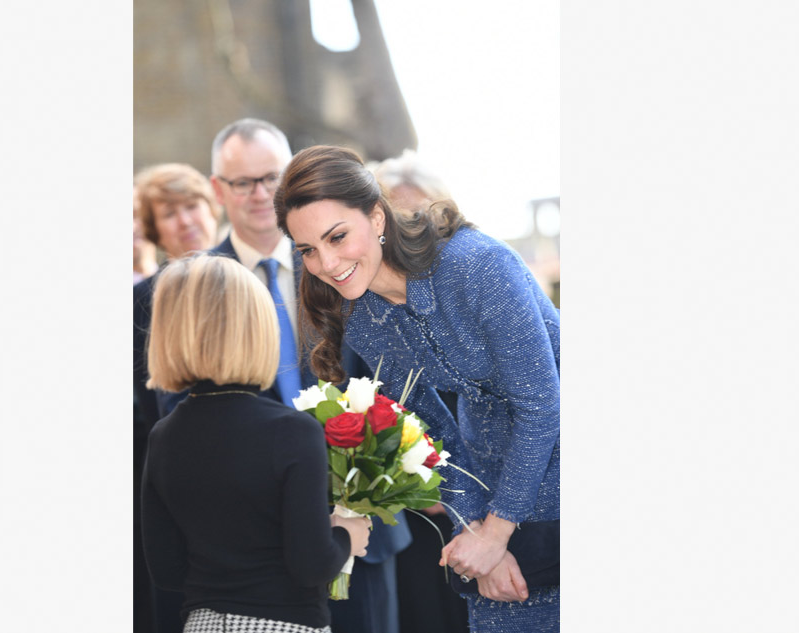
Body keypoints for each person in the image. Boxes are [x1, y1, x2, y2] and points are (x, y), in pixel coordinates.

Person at [274, 145, 560, 632]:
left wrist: (496, 533)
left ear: (376, 217)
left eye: (337, 236)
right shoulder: (359, 310)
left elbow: (542, 405)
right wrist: (474, 527)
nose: (327, 263)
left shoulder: (477, 265)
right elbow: (426, 429)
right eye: (307, 250)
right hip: (488, 481)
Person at [155, 119, 412, 633]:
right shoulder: (190, 284)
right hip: (257, 561)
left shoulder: (348, 261)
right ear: (217, 190)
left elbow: (396, 378)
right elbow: (180, 406)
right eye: (242, 182)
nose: (260, 194)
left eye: (271, 177)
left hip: (363, 527)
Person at [141, 254, 371, 633]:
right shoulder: (292, 431)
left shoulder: (164, 435)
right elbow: (312, 565)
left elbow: (167, 570)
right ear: (257, 328)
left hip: (201, 624)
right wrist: (347, 535)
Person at [371, 151, 469, 633]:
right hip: (408, 518)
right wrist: (409, 486)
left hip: (493, 510)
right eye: (397, 219)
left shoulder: (477, 292)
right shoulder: (365, 308)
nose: (411, 233)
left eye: (421, 217)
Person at [132, 163, 222, 633]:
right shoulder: (141, 301)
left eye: (192, 206)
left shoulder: (244, 277)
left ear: (211, 207)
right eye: (169, 213)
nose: (186, 220)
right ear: (154, 230)